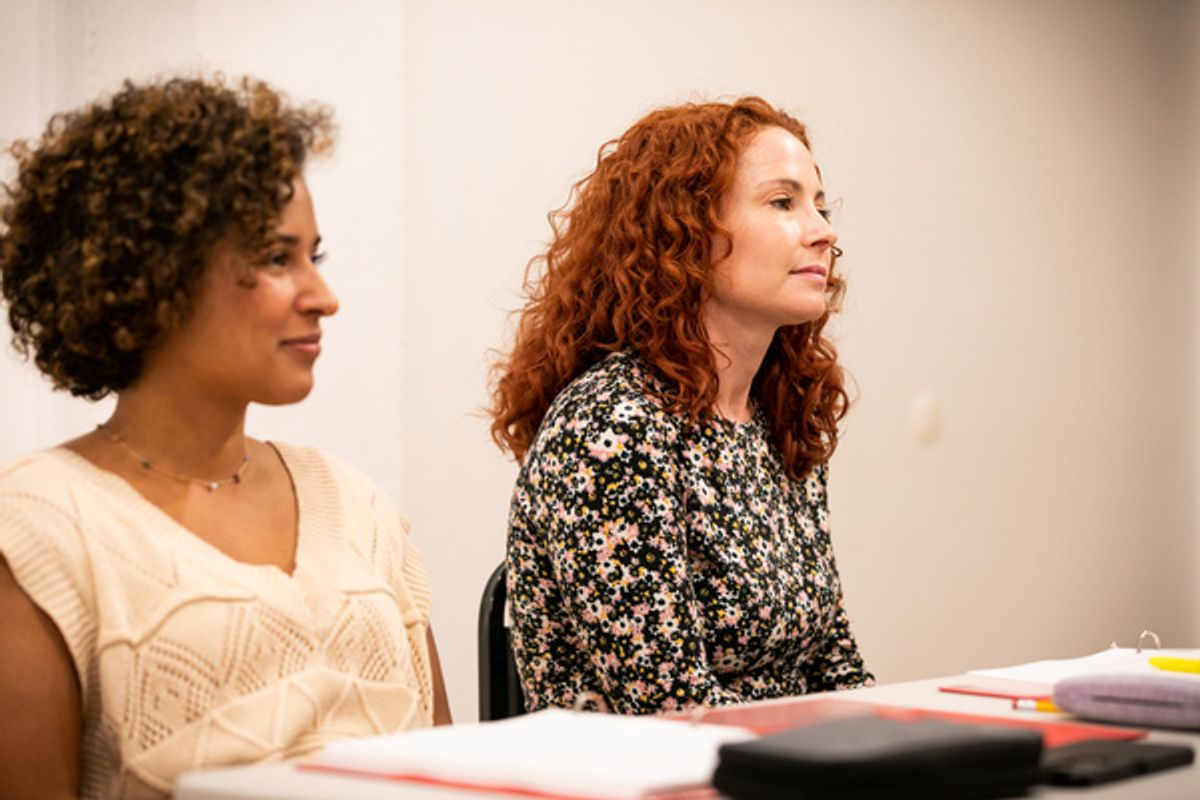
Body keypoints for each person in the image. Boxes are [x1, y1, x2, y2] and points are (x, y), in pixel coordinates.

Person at [0, 76, 450, 800]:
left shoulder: (356, 508)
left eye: (313, 257)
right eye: (276, 258)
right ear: (155, 278)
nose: (323, 297)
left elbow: (450, 773)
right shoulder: (40, 530)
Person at [489, 97, 873, 715]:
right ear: (687, 232)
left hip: (783, 757)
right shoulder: (613, 427)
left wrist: (890, 741)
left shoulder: (776, 416)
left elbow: (833, 663)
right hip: (649, 764)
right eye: (783, 202)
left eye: (820, 206)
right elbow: (666, 707)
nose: (823, 231)